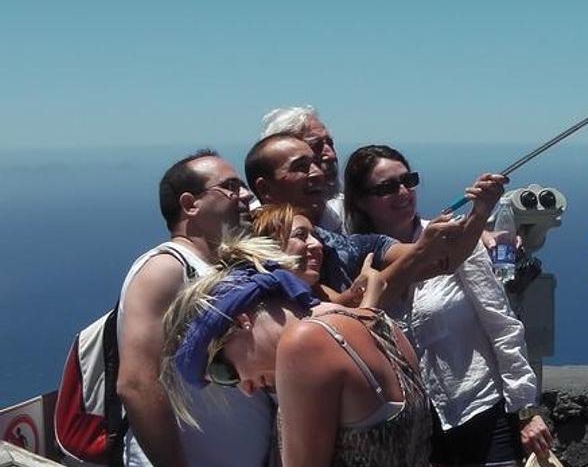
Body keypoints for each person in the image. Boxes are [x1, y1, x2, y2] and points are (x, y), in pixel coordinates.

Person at [343, 144, 553, 466]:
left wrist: (526, 410)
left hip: (480, 410)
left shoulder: (456, 240)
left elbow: (501, 324)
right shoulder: (353, 260)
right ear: (359, 200)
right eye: (387, 187)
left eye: (407, 180)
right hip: (410, 431)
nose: (403, 192)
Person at [160, 231, 432, 467]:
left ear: (240, 320)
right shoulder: (379, 323)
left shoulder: (303, 344)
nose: (246, 388)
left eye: (224, 372)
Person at [116, 149, 274, 467]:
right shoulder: (165, 269)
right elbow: (136, 384)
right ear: (190, 204)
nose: (245, 195)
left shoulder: (229, 268)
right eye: (230, 187)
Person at [244, 133, 505, 301]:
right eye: (301, 167)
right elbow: (342, 309)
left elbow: (443, 261)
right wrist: (422, 252)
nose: (318, 173)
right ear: (265, 188)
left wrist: (479, 213)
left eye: (315, 163)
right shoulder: (245, 254)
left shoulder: (337, 242)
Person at [259, 105, 344, 232]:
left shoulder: (348, 217)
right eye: (316, 146)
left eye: (330, 144)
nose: (331, 155)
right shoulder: (250, 229)